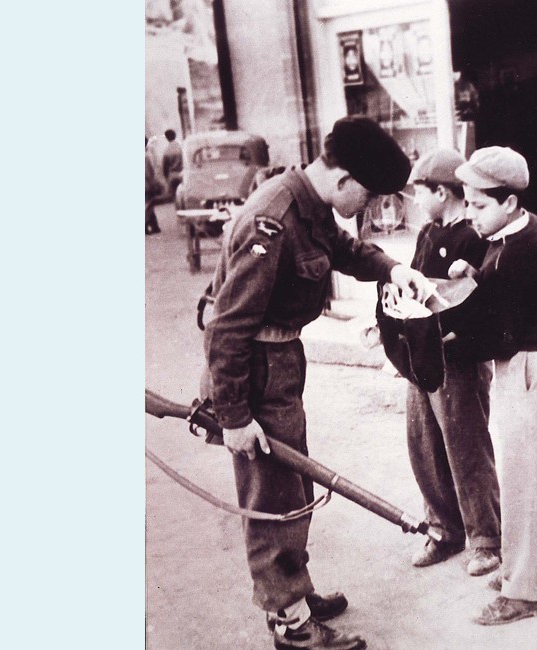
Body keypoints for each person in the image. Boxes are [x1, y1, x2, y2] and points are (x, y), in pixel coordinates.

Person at [202, 116, 433, 650]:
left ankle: (293, 594)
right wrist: (234, 417)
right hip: (255, 369)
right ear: (344, 178)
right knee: (272, 498)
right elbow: (227, 326)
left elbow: (344, 251)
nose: (370, 208)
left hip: (280, 361)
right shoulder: (273, 220)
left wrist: (392, 269)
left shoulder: (309, 204)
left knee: (292, 488)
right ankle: (291, 623)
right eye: (369, 197)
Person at [446, 146, 537, 626]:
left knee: (530, 484)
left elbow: (496, 327)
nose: (469, 213)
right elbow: (497, 289)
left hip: (533, 368)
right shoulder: (516, 231)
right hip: (528, 362)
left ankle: (528, 593)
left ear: (509, 202)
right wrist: (472, 274)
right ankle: (525, 573)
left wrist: (441, 333)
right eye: (467, 202)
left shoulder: (520, 247)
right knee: (526, 479)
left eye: (478, 205)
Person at [403, 148, 501, 577]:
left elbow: (483, 303)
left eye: (419, 192)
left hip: (458, 361)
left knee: (466, 448)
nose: (415, 200)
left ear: (441, 192)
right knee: (424, 445)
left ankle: (486, 539)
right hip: (420, 357)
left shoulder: (473, 236)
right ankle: (444, 530)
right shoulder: (427, 233)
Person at [145, 137, 163, 235]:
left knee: (149, 205)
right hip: (146, 185)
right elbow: (148, 174)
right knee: (149, 205)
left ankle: (155, 226)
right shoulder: (146, 157)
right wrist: (154, 184)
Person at [161, 128, 183, 198]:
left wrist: (166, 178)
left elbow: (165, 167)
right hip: (182, 173)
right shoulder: (181, 146)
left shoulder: (167, 150)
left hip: (172, 175)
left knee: (174, 197)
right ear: (175, 135)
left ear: (167, 138)